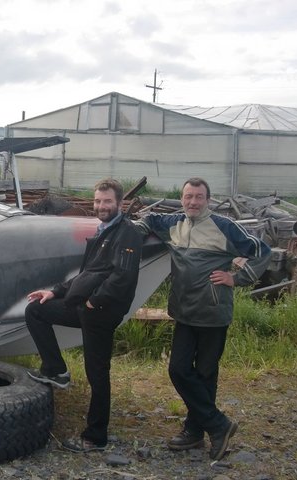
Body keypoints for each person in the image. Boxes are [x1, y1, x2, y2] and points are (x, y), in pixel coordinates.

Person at [135, 177, 271, 461]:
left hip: (213, 313)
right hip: (184, 313)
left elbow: (261, 251)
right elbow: (148, 220)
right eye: (188, 196)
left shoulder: (224, 227)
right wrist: (135, 229)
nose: (193, 202)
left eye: (198, 197)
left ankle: (195, 431)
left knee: (206, 374)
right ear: (182, 198)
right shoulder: (174, 223)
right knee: (179, 369)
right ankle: (218, 425)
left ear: (207, 200)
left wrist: (237, 277)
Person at [25, 178, 143, 453]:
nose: (102, 206)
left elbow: (123, 278)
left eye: (107, 202)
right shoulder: (103, 230)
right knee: (36, 310)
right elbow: (87, 275)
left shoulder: (127, 234)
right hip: (84, 307)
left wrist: (94, 302)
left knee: (97, 373)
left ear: (119, 203)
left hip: (100, 313)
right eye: (98, 201)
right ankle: (56, 371)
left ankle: (95, 436)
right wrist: (55, 292)